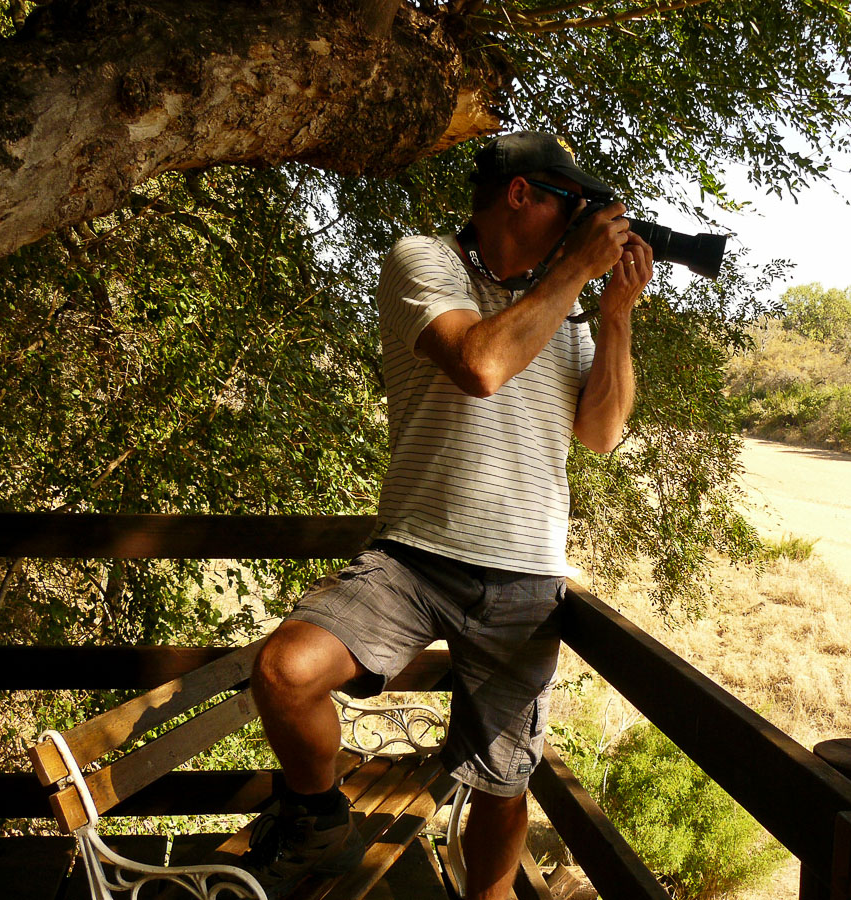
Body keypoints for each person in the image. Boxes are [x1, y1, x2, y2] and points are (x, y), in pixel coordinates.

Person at [243, 132, 653, 900]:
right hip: (412, 557)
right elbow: (480, 365)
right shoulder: (424, 260)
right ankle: (319, 820)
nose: (585, 225)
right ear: (521, 193)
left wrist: (617, 311)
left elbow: (601, 434)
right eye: (575, 204)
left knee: (503, 784)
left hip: (527, 574)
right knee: (284, 670)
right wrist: (572, 274)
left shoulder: (563, 304)